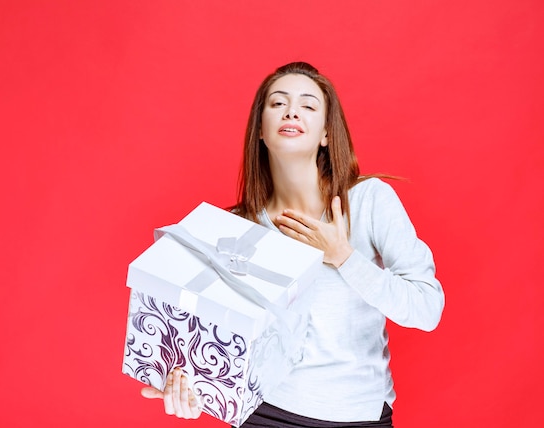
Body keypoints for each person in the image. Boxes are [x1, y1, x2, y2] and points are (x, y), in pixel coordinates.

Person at [140, 62, 445, 427]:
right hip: (262, 413)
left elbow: (428, 309)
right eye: (278, 103)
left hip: (355, 416)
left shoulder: (368, 200)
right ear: (261, 131)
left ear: (326, 135)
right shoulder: (236, 227)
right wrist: (192, 387)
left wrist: (343, 257)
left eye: (309, 105)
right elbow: (218, 343)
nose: (292, 111)